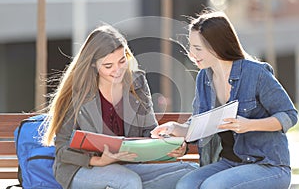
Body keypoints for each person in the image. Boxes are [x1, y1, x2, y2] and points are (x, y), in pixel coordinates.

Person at [151, 10, 298, 189]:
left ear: (217, 46)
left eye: (198, 48)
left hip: (268, 165)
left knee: (213, 186)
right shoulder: (204, 78)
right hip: (229, 163)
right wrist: (176, 129)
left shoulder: (255, 73)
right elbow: (199, 125)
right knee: (186, 185)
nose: (191, 54)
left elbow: (289, 115)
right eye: (191, 46)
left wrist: (249, 125)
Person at [42, 24, 197, 189]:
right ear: (93, 64)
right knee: (129, 182)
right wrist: (99, 160)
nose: (117, 70)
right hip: (84, 168)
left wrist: (169, 146)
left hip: (127, 164)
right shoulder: (78, 93)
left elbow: (149, 132)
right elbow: (62, 150)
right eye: (108, 66)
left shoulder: (137, 84)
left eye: (122, 61)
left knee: (190, 171)